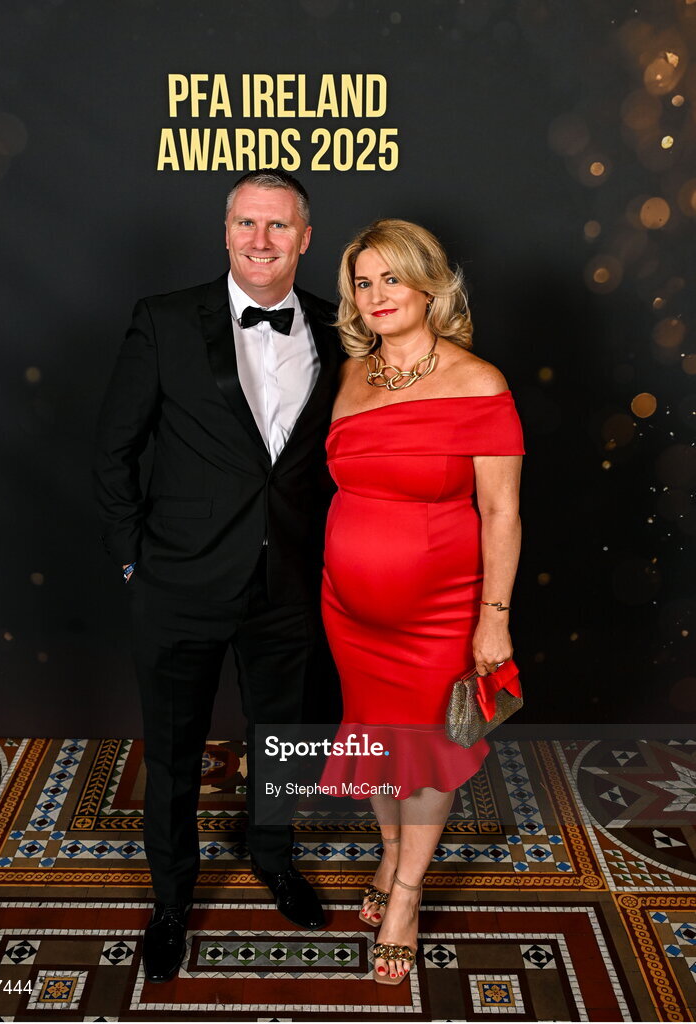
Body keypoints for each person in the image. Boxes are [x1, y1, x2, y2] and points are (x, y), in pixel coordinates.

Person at [93, 170, 341, 983]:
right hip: (178, 585)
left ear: (305, 238)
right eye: (245, 223)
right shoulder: (164, 321)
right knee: (172, 752)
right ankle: (171, 899)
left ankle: (272, 856)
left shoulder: (343, 333)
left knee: (284, 739)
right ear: (225, 231)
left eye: (277, 226)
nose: (259, 240)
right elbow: (114, 451)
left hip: (289, 587)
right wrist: (137, 558)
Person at [319, 219, 524, 985]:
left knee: (430, 755)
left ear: (429, 284)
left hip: (439, 610)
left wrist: (492, 618)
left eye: (389, 279)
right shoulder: (348, 375)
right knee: (374, 742)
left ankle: (405, 893)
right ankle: (390, 852)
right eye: (362, 283)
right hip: (346, 605)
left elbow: (501, 511)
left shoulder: (479, 382)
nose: (375, 295)